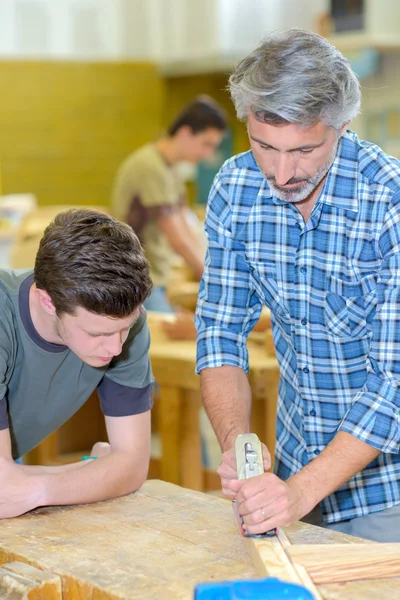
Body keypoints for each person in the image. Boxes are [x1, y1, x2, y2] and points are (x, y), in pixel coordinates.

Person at [195, 29, 400, 543]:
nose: (282, 173)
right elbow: (220, 331)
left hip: (386, 493)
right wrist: (236, 442)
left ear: (343, 127)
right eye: (264, 145)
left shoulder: (387, 203)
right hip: (292, 470)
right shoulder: (237, 188)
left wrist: (302, 491)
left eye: (304, 150)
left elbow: (393, 384)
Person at [0, 208, 154, 519]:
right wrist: (91, 473)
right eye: (96, 332)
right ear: (47, 302)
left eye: (123, 328)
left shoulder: (127, 324)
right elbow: (4, 491)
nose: (115, 347)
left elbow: (132, 466)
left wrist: (40, 489)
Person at [111, 95, 227, 317]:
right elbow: (178, 238)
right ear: (185, 133)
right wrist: (216, 281)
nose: (207, 154)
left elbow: (186, 227)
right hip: (134, 279)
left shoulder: (172, 169)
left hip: (156, 277)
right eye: (206, 144)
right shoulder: (150, 166)